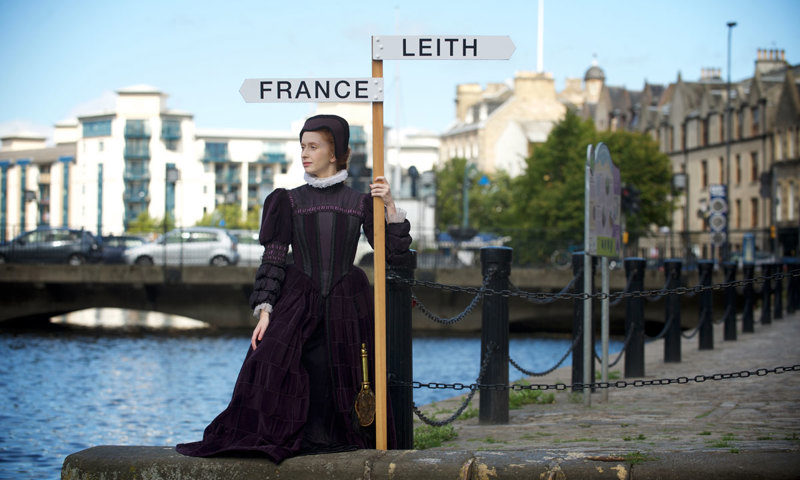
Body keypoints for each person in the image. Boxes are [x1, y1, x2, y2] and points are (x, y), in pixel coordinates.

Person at [176, 114, 411, 462]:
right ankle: (299, 436)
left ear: (335, 153)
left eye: (313, 146)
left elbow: (393, 254)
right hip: (298, 297)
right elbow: (273, 258)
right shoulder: (288, 200)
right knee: (280, 360)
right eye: (303, 146)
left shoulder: (362, 203)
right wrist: (266, 309)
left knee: (346, 370)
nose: (305, 153)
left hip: (348, 300)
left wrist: (389, 206)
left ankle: (337, 437)